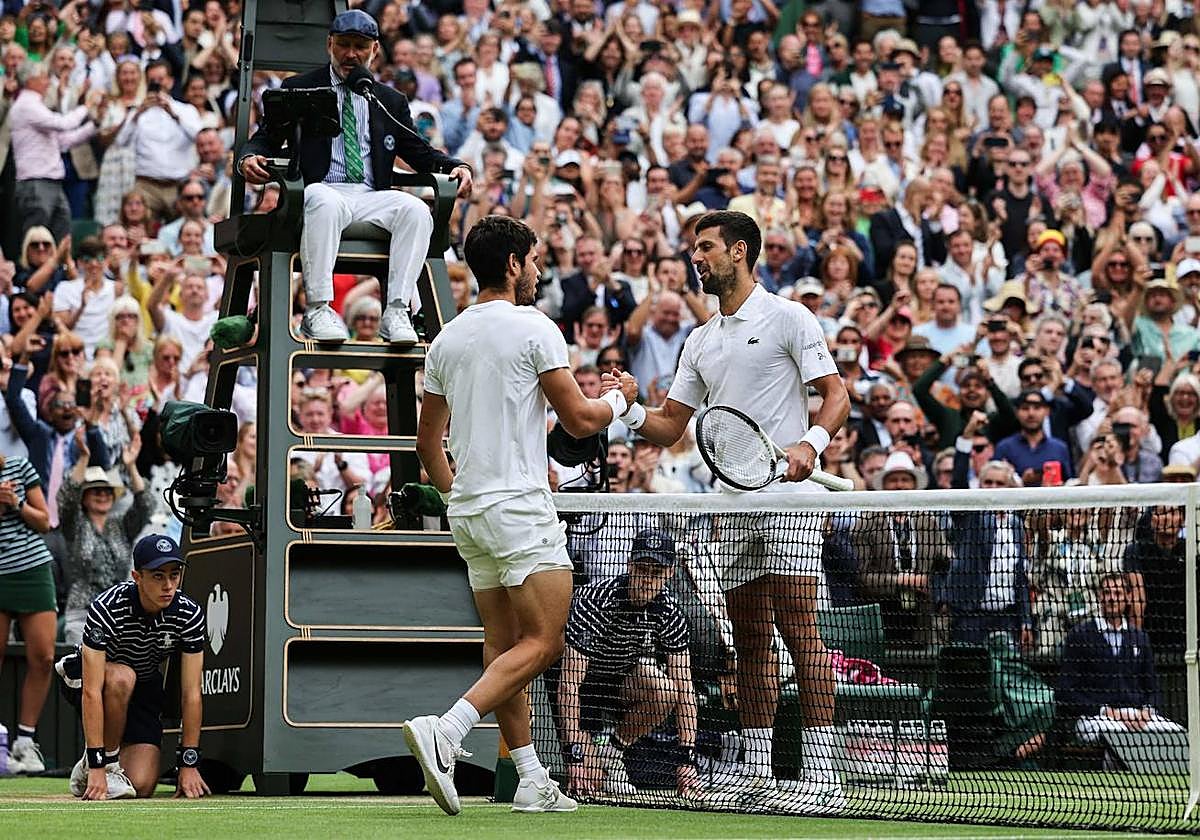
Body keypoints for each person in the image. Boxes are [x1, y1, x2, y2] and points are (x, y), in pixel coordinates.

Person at [604, 210, 851, 813]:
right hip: (732, 505)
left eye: (707, 247)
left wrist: (808, 446)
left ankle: (822, 774)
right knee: (749, 641)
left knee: (800, 632)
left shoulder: (789, 317)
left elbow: (837, 394)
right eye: (696, 248)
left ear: (740, 252)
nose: (698, 257)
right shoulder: (700, 341)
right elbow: (668, 428)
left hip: (790, 500)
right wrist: (631, 409)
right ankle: (760, 770)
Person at [409, 215, 637, 816]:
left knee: (503, 642)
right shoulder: (535, 327)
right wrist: (622, 399)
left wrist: (460, 495)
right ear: (512, 264)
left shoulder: (446, 339)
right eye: (533, 259)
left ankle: (532, 778)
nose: (537, 270)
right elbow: (583, 420)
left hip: (470, 515)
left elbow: (427, 445)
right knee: (545, 642)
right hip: (518, 510)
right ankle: (449, 730)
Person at [237, 10, 473, 344]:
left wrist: (455, 166)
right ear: (329, 44)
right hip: (322, 189)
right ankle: (318, 308)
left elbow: (418, 150)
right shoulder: (301, 88)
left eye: (360, 46)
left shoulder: (388, 99)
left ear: (374, 49)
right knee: (324, 201)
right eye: (344, 45)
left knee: (416, 211)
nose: (351, 54)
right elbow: (267, 136)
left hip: (368, 194)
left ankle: (396, 310)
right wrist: (249, 156)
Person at [53, 534, 209, 800]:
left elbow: (192, 693)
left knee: (141, 785)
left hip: (143, 685)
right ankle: (104, 763)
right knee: (123, 677)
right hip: (87, 678)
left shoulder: (189, 614)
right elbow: (91, 691)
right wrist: (101, 766)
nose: (169, 585)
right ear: (137, 577)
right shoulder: (107, 607)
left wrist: (188, 763)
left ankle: (87, 767)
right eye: (158, 576)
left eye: (175, 575)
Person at [550, 529, 699, 798]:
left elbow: (685, 687)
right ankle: (590, 759)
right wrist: (574, 757)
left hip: (621, 677)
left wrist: (687, 759)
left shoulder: (670, 613)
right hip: (580, 685)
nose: (647, 580)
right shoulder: (595, 601)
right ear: (629, 565)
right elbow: (569, 685)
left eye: (656, 573)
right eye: (642, 569)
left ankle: (613, 754)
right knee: (589, 784)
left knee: (667, 691)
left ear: (670, 573)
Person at [1057, 573, 1183, 745]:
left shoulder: (1140, 637)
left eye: (1117, 594)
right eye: (1107, 593)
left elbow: (1153, 689)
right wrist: (1104, 711)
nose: (1112, 599)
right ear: (1100, 597)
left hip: (1137, 716)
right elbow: (1065, 690)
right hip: (1095, 718)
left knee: (1176, 735)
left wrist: (1147, 712)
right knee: (1119, 738)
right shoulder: (1079, 636)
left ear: (1128, 598)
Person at [0, 453, 55, 774]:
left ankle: (25, 740)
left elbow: (45, 521)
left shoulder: (19, 465)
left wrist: (15, 502)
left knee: (45, 657)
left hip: (32, 568)